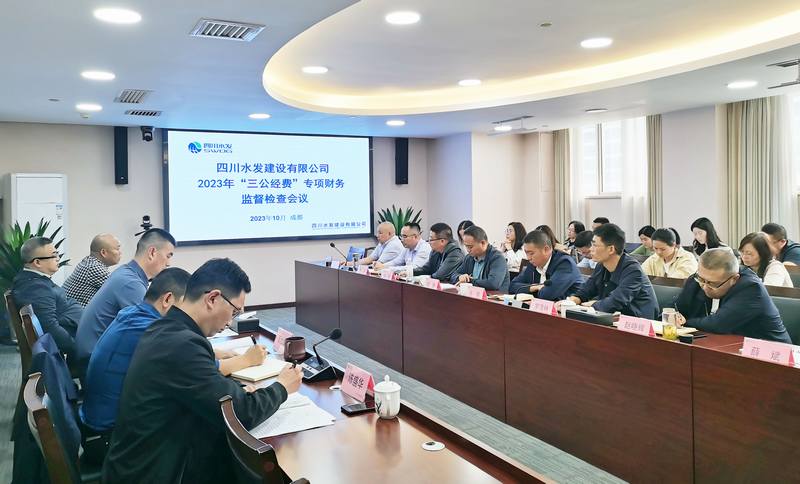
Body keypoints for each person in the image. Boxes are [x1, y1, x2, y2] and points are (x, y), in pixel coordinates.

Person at [102, 258, 303, 483]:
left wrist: (235, 391)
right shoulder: (181, 344)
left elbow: (206, 386)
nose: (230, 322)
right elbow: (241, 414)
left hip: (148, 461)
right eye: (234, 311)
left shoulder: (166, 328)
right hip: (152, 474)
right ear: (213, 298)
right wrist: (281, 388)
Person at [80, 268, 267, 459]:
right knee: (219, 436)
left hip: (108, 426)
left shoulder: (134, 315)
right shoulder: (153, 329)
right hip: (110, 438)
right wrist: (246, 361)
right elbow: (207, 369)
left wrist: (215, 354)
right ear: (168, 299)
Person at [76, 228, 176, 368]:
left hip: (96, 356)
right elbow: (151, 332)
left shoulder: (127, 273)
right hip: (95, 363)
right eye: (168, 256)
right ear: (152, 252)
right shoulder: (130, 283)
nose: (168, 263)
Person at [674, 248, 791, 343]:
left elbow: (717, 324)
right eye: (701, 279)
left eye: (712, 284)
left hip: (771, 353)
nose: (704, 287)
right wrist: (674, 317)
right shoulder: (699, 279)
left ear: (734, 279)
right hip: (724, 345)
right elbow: (676, 308)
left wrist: (685, 322)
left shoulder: (751, 288)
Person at [560, 223, 658, 318]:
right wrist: (572, 300)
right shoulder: (601, 265)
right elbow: (586, 289)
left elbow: (617, 301)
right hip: (612, 317)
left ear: (611, 249)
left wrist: (593, 305)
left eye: (595, 245)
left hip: (637, 321)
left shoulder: (633, 270)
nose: (591, 249)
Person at [11, 237, 82, 358]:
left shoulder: (35, 281)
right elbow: (49, 327)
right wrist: (78, 348)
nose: (58, 258)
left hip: (80, 330)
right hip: (77, 341)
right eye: (54, 255)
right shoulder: (35, 288)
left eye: (57, 254)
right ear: (37, 262)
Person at [509, 230, 583, 300]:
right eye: (526, 253)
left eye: (531, 253)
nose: (528, 258)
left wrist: (529, 291)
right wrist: (534, 287)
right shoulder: (534, 264)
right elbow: (512, 286)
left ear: (546, 249)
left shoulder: (565, 263)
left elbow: (547, 295)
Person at [63, 233, 122, 307]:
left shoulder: (89, 262)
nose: (120, 253)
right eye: (117, 249)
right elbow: (123, 290)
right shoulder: (94, 268)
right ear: (103, 252)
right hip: (77, 313)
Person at [450, 225, 510, 292]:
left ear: (483, 243)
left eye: (470, 247)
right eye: (466, 246)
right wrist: (459, 277)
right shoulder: (469, 257)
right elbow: (453, 275)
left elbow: (493, 284)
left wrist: (469, 280)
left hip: (494, 296)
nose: (468, 250)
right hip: (473, 295)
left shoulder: (497, 258)